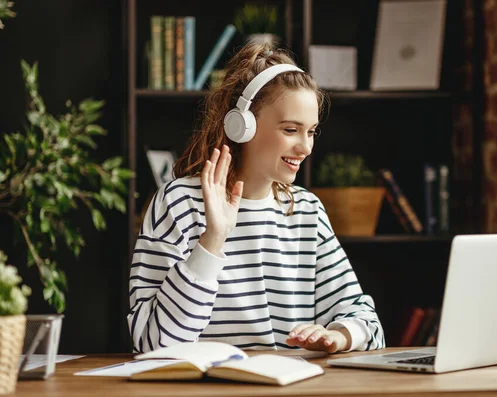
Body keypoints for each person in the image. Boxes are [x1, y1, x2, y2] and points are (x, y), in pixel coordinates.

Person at [128, 42, 385, 354]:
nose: (306, 148)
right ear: (242, 126)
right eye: (291, 130)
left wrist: (338, 336)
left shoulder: (306, 211)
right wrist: (213, 240)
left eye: (312, 132)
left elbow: (367, 322)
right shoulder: (176, 204)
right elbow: (153, 343)